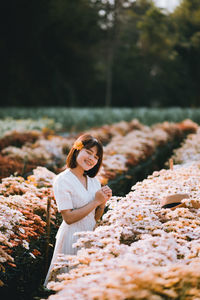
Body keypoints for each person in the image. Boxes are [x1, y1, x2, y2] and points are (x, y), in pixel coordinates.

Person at [44, 134, 112, 286]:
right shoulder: (63, 180)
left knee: (86, 286)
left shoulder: (94, 181)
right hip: (71, 238)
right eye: (88, 152)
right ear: (77, 150)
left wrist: (102, 203)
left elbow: (94, 218)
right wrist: (96, 201)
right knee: (66, 284)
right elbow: (68, 217)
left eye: (96, 157)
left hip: (90, 237)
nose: (92, 159)